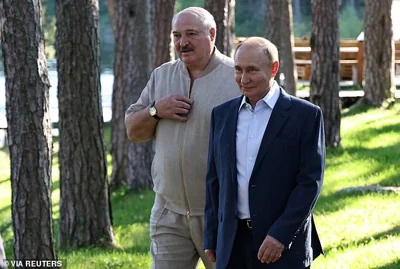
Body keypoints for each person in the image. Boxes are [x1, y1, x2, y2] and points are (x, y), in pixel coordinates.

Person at [125, 7, 240, 269]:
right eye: (177, 35)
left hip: (221, 215)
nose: (182, 42)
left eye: (191, 34)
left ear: (212, 34)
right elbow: (133, 131)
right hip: (169, 212)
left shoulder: (236, 76)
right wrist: (156, 110)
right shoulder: (162, 75)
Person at [204, 37, 325, 269]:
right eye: (238, 69)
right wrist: (212, 234)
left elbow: (310, 183)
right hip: (232, 242)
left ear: (274, 69)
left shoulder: (306, 116)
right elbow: (214, 180)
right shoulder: (221, 115)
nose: (243, 78)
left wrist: (281, 235)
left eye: (252, 70)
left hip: (283, 244)